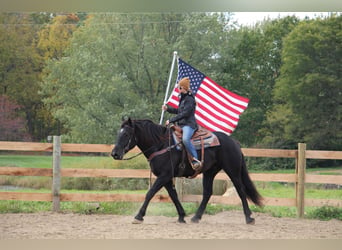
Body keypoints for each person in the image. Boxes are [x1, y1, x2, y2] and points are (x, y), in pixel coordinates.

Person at [162, 77, 201, 169]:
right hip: (181, 124)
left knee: (185, 139)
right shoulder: (183, 98)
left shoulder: (190, 99)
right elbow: (179, 111)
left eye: (179, 88)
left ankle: (196, 159)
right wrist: (168, 109)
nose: (178, 89)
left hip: (189, 125)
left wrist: (171, 120)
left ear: (183, 88)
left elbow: (185, 114)